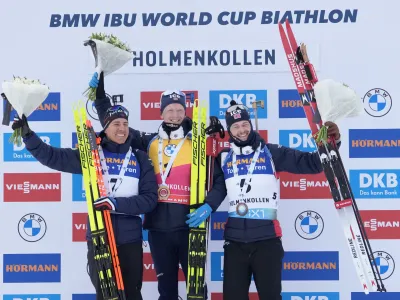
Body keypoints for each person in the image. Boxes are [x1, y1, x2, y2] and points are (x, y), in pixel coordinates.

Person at [185, 100, 341, 300]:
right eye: (235, 126)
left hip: (267, 241)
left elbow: (311, 164)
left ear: (250, 124)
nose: (241, 130)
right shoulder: (224, 158)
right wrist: (209, 205)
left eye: (244, 125)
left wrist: (330, 143)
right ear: (229, 130)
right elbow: (219, 187)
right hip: (235, 243)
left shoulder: (271, 153)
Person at [89, 72, 223, 300]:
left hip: (190, 226)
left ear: (185, 112)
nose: (175, 114)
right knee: (166, 290)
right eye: (170, 110)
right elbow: (115, 125)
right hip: (158, 229)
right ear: (161, 113)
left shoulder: (199, 143)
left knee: (197, 290)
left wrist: (209, 206)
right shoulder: (148, 140)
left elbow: (219, 180)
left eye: (180, 110)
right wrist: (100, 96)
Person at [12, 105, 158, 300]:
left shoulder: (140, 158)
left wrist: (115, 204)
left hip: (130, 240)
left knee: (131, 294)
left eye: (125, 124)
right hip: (99, 237)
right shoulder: (91, 155)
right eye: (116, 124)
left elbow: (149, 200)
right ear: (105, 128)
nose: (121, 128)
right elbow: (53, 157)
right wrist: (28, 135)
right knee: (105, 295)